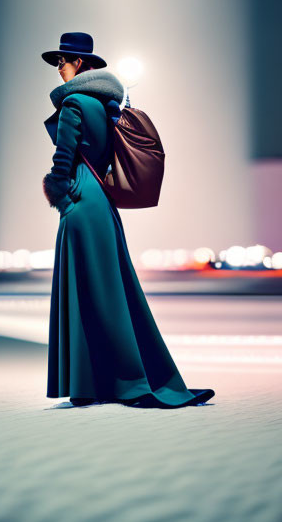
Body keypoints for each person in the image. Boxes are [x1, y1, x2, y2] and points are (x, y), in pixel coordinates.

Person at [42, 32, 214, 408]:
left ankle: (94, 385)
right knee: (113, 293)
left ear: (81, 65)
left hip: (81, 201)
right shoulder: (107, 107)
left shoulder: (74, 103)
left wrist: (58, 193)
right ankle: (130, 378)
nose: (58, 68)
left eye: (63, 61)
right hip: (103, 202)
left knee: (86, 293)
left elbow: (64, 158)